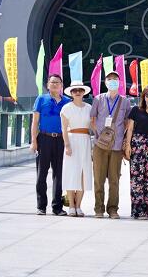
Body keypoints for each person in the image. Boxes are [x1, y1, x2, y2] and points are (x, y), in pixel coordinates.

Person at [90, 70, 131, 219]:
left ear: (119, 82)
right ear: (105, 82)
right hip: (100, 145)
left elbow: (127, 122)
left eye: (115, 79)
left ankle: (113, 209)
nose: (112, 81)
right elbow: (92, 119)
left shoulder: (125, 101)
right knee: (98, 178)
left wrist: (119, 137)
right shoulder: (98, 99)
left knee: (114, 179)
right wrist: (100, 135)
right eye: (109, 79)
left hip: (116, 146)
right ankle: (98, 208)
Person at [31, 74, 71, 216]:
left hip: (60, 140)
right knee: (41, 174)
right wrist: (33, 141)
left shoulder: (67, 102)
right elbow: (35, 122)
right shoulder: (41, 99)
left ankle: (57, 207)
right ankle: (41, 206)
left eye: (57, 82)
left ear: (61, 86)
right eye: (52, 82)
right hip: (44, 138)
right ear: (48, 85)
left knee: (58, 174)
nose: (54, 84)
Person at [125, 85, 148, 220]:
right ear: (143, 96)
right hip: (137, 146)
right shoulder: (136, 110)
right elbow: (130, 129)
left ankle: (145, 210)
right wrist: (128, 146)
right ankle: (136, 210)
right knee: (136, 179)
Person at [59, 80, 92, 217]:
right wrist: (67, 145)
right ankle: (71, 206)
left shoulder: (90, 108)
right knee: (72, 173)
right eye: (74, 91)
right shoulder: (66, 108)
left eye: (80, 90)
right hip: (72, 140)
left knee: (84, 174)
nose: (77, 92)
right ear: (71, 93)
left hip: (85, 140)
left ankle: (79, 205)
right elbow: (64, 129)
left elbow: (94, 126)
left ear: (84, 92)